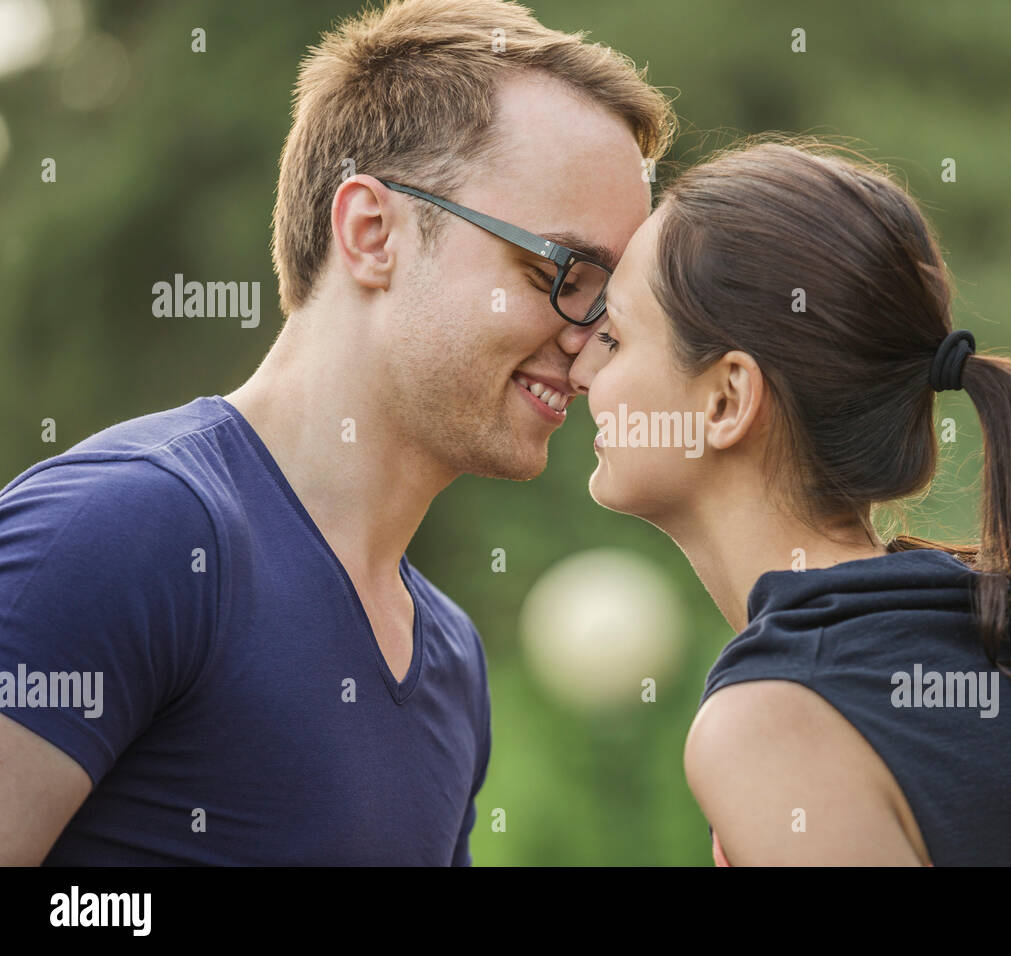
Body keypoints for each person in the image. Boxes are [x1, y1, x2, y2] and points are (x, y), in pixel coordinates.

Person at [0, 0, 674, 864]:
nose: (590, 347)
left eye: (610, 301)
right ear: (371, 232)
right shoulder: (125, 535)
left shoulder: (452, 661)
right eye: (561, 272)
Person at [568, 138, 1011, 866]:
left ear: (727, 399)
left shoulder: (774, 723)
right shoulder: (1004, 642)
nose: (583, 367)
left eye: (616, 338)